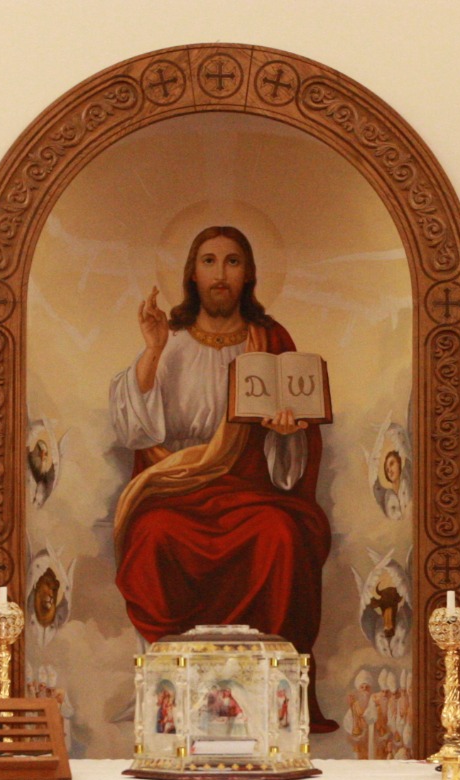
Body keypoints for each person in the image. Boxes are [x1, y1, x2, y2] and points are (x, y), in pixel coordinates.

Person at [109, 226, 336, 730]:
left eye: (232, 262)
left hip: (249, 487)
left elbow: (291, 459)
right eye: (208, 261)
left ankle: (272, 697)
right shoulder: (168, 338)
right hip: (177, 486)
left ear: (248, 274)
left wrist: (284, 433)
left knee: (282, 535)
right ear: (192, 273)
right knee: (152, 534)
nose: (220, 274)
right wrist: (152, 351)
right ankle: (167, 690)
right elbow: (135, 430)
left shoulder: (268, 341)